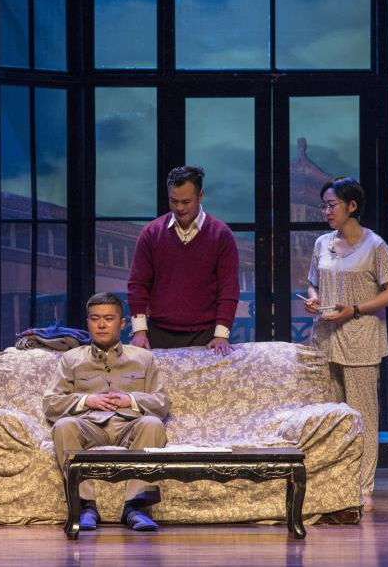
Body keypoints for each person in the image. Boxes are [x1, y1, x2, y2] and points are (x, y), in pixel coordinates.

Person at [301, 177, 388, 513]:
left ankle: (362, 487)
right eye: (324, 206)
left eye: (332, 205)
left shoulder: (375, 246)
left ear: (352, 206)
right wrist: (314, 300)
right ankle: (332, 486)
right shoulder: (322, 243)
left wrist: (356, 309)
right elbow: (313, 283)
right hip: (325, 339)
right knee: (328, 416)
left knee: (362, 416)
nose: (326, 211)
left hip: (361, 340)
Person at [43, 292, 170, 532]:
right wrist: (87, 400)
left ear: (122, 324)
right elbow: (51, 404)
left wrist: (130, 399)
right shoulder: (71, 359)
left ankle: (136, 508)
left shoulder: (144, 358)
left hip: (129, 425)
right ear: (88, 322)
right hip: (90, 426)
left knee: (153, 424)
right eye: (95, 319)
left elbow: (161, 403)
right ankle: (85, 507)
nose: (101, 324)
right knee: (63, 426)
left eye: (108, 319)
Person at [127, 166, 240, 353]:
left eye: (186, 201)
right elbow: (138, 284)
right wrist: (139, 332)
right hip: (158, 332)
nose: (179, 208)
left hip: (206, 334)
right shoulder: (151, 233)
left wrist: (221, 335)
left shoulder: (221, 235)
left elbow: (228, 289)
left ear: (200, 195)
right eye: (174, 201)